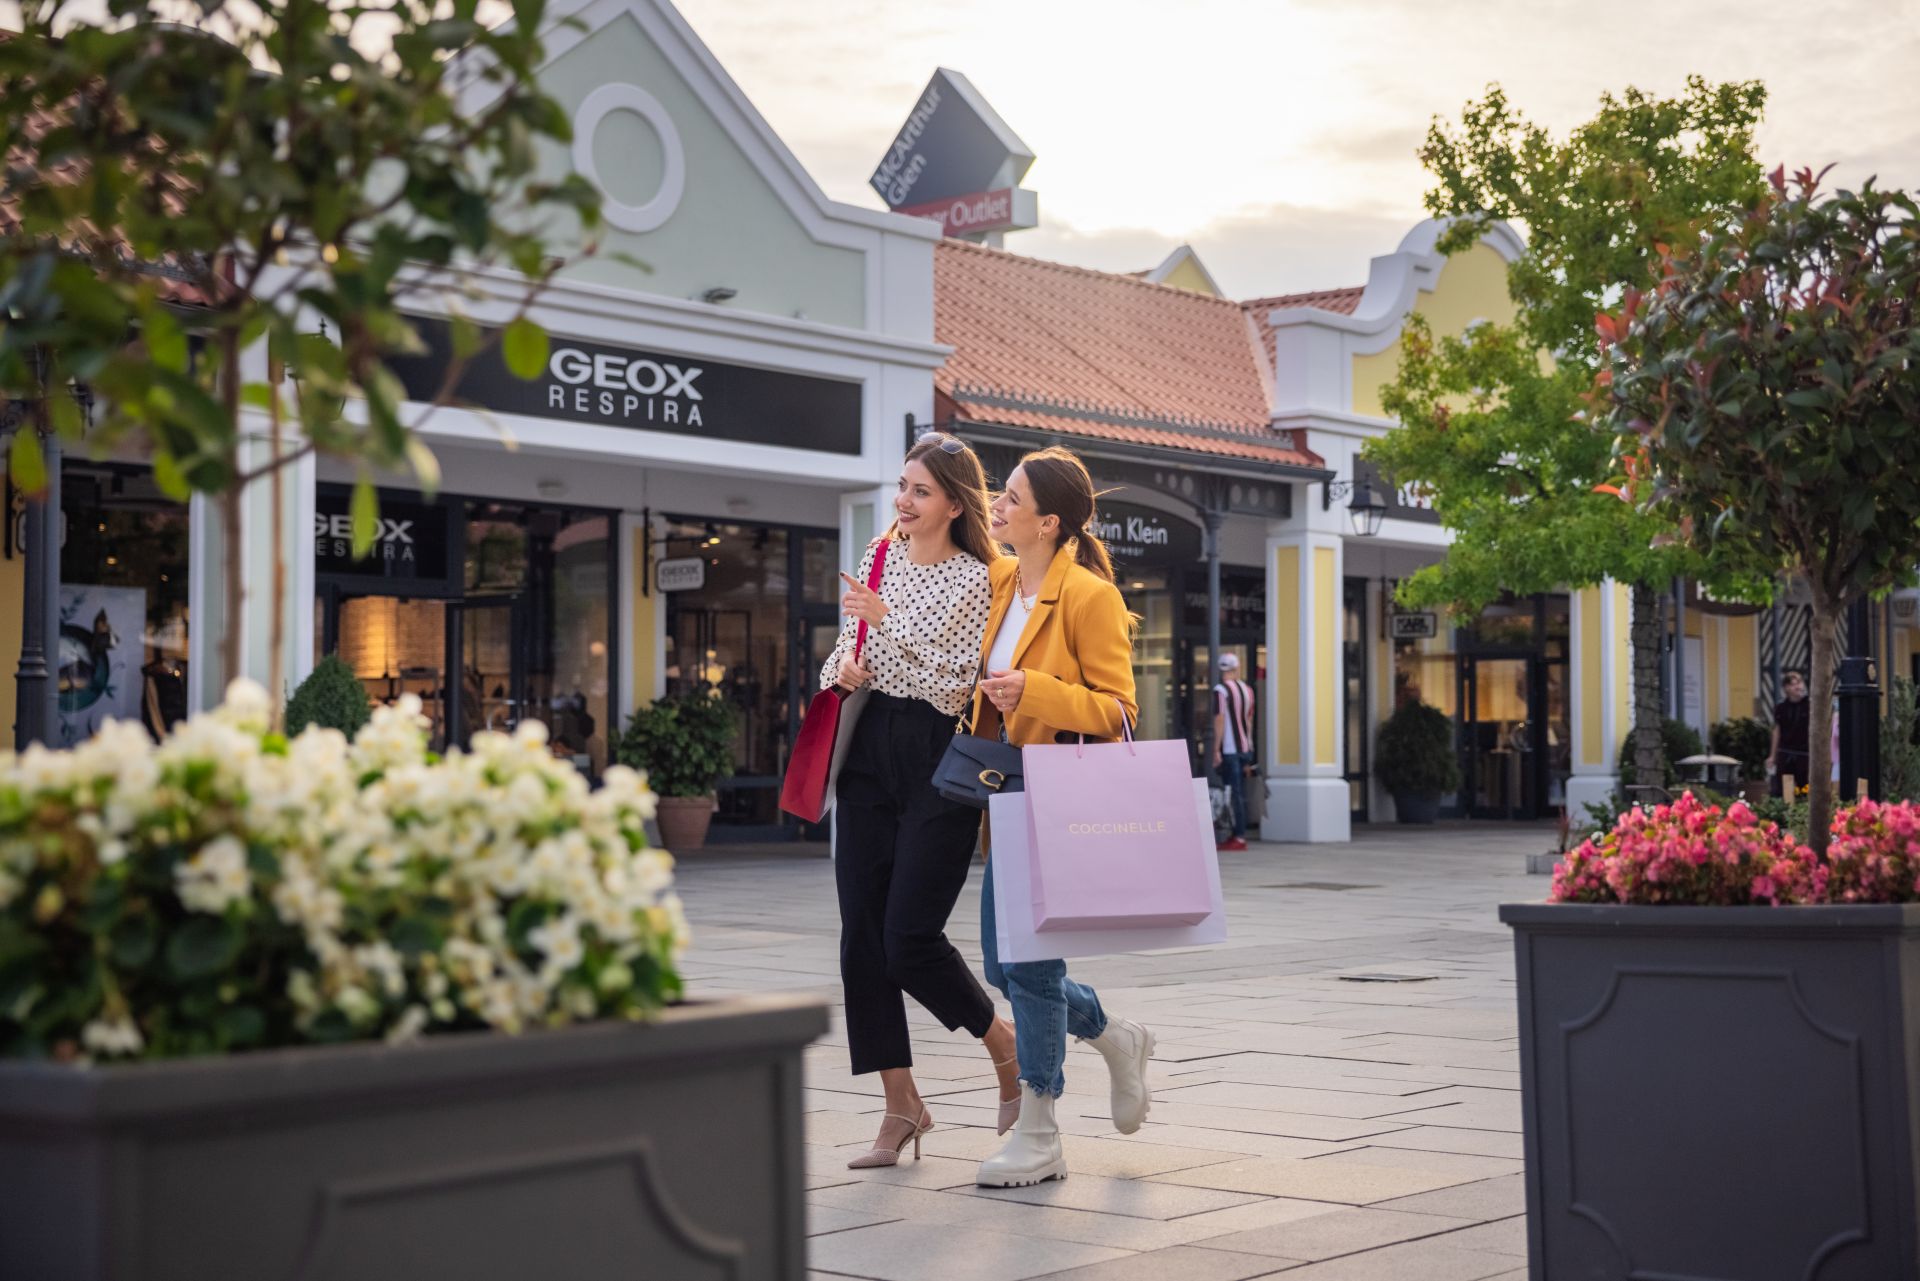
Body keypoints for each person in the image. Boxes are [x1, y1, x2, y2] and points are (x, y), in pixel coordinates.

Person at [820, 431, 1019, 1170]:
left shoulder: (978, 580)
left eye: (920, 491)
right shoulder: (879, 557)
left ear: (953, 502)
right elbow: (845, 655)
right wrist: (843, 666)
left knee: (909, 936)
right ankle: (900, 1102)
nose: (903, 501)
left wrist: (884, 623)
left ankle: (1002, 1045)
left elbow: (952, 682)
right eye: (901, 486)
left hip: (940, 755)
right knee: (860, 935)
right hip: (869, 750)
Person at [972, 445, 1156, 1188]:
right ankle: (1116, 1036)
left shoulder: (1089, 595)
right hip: (1002, 794)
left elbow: (1119, 710)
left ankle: (1041, 1126)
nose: (997, 505)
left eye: (1010, 497)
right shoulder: (1001, 580)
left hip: (1056, 796)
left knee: (1030, 966)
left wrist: (1035, 691)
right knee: (1000, 964)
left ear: (1048, 520)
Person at [1210, 653, 1256, 851]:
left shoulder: (1221, 690)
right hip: (1245, 747)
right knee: (1238, 792)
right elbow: (1249, 720)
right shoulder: (1247, 690)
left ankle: (1237, 835)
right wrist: (1249, 748)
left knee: (1231, 792)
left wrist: (1216, 749)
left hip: (1229, 749)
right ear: (1237, 669)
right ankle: (1238, 833)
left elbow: (1219, 719)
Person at [1767, 668, 1810, 797]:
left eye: (1799, 682)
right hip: (1785, 752)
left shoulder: (1809, 705)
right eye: (1793, 683)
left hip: (1804, 753)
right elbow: (1777, 730)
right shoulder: (1781, 707)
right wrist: (1772, 756)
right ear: (1786, 688)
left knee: (1804, 787)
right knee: (1781, 788)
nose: (1798, 686)